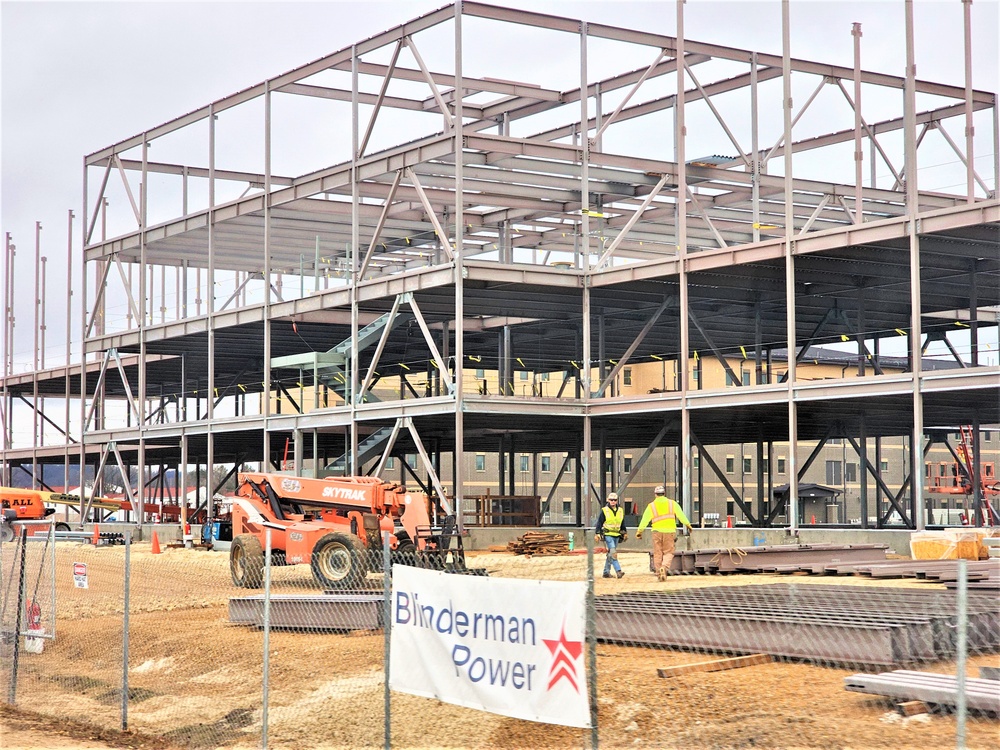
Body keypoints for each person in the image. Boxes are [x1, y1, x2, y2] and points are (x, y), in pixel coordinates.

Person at [635, 485, 692, 581]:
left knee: (658, 553)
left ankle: (658, 573)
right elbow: (681, 515)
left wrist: (639, 531)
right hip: (669, 532)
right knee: (669, 552)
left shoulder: (651, 506)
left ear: (655, 494)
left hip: (656, 532)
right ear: (664, 494)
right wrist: (688, 525)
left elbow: (645, 519)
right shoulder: (672, 504)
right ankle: (664, 567)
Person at [595, 492, 627, 579]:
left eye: (615, 500)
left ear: (617, 501)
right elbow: (599, 523)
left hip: (617, 535)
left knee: (610, 554)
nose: (613, 501)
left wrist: (624, 532)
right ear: (608, 500)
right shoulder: (604, 510)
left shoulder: (620, 510)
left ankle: (606, 572)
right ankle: (618, 571)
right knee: (613, 553)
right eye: (611, 500)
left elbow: (622, 523)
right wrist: (597, 533)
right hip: (608, 534)